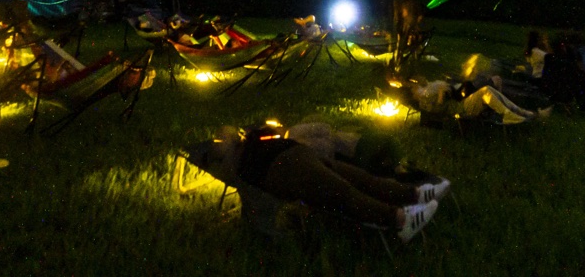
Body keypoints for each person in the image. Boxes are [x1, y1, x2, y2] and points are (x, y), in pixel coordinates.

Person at [197, 122, 448, 242]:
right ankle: (400, 220)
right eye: (223, 138)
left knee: (360, 177)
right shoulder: (236, 164)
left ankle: (414, 194)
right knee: (342, 191)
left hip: (300, 154)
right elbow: (256, 207)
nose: (228, 136)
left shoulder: (251, 141)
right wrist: (274, 232)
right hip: (284, 169)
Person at [411, 76, 550, 125]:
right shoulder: (423, 103)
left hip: (462, 100)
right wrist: (442, 93)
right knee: (486, 91)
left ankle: (525, 112)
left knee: (488, 89)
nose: (416, 86)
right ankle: (511, 114)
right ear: (413, 95)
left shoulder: (427, 89)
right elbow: (437, 111)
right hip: (461, 108)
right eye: (413, 87)